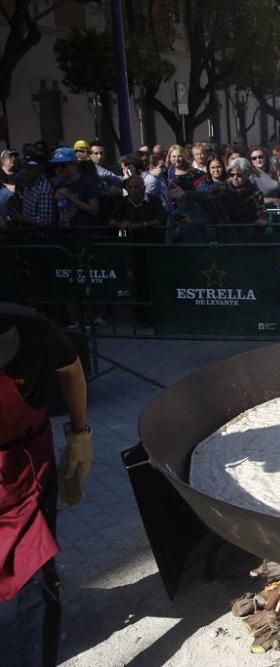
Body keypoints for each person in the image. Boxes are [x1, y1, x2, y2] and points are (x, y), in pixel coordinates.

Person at [0, 303, 91, 667]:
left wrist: (80, 433)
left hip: (25, 469)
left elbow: (70, 369)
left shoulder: (34, 328)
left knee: (36, 572)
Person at [49, 147, 100, 228]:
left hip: (84, 235)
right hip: (65, 234)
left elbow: (94, 210)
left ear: (73, 165)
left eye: (63, 165)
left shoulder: (87, 183)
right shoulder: (58, 186)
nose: (59, 169)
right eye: (56, 165)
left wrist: (70, 196)